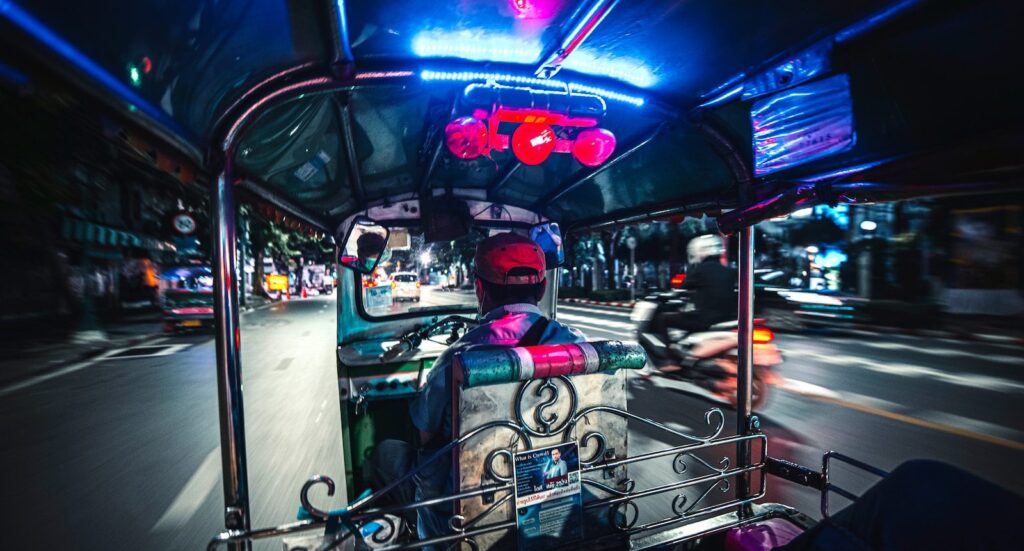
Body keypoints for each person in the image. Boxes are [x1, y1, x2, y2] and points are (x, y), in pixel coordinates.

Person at [367, 232, 586, 547]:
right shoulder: (578, 346)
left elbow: (426, 437)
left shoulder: (459, 357)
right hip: (559, 493)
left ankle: (412, 535)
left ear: (480, 288)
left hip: (465, 511)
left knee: (385, 453)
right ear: (543, 288)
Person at [655, 234, 736, 335]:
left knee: (662, 318)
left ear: (700, 251)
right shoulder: (729, 271)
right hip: (727, 318)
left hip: (705, 319)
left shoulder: (700, 270)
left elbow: (681, 289)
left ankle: (668, 350)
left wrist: (667, 295)